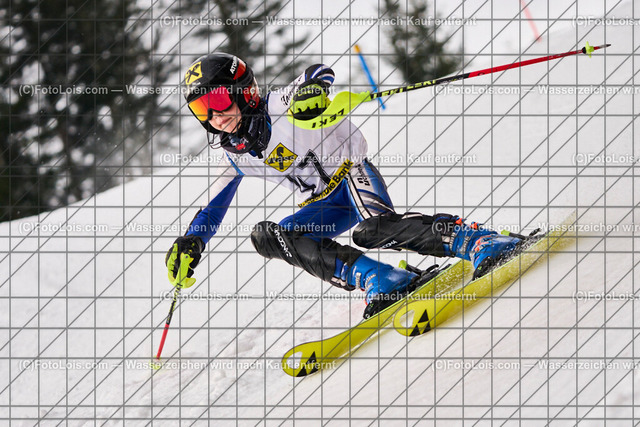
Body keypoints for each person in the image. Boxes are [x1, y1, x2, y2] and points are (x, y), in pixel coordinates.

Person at [165, 52, 523, 318]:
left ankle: (478, 240)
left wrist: (314, 90)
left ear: (245, 91)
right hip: (323, 205)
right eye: (202, 109)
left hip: (351, 174)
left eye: (217, 100)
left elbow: (317, 72)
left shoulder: (280, 104)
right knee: (269, 237)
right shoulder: (234, 156)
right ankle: (380, 278)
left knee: (373, 230)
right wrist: (191, 242)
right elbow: (212, 210)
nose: (214, 116)